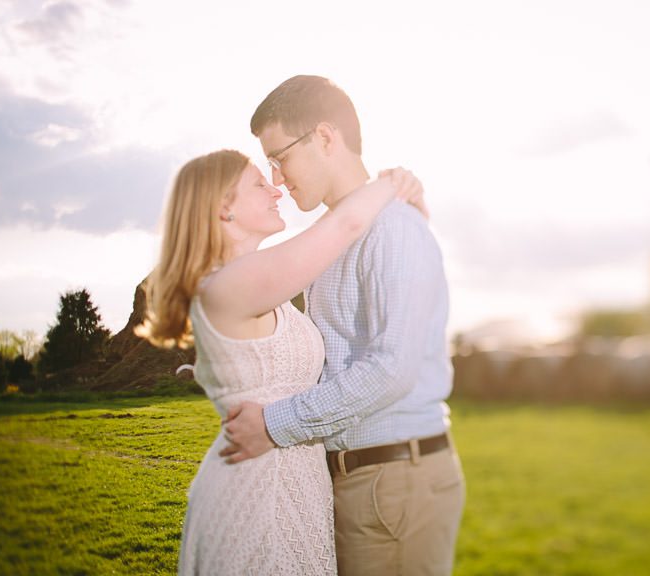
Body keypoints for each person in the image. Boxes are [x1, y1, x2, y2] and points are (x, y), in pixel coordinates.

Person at [221, 75, 465, 575]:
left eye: (280, 156)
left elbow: (390, 369)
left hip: (392, 479)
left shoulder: (393, 228)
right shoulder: (333, 238)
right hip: (369, 478)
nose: (278, 177)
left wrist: (274, 425)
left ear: (326, 137)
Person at [139, 148, 425, 575]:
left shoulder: (261, 284)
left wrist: (412, 213)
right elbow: (345, 224)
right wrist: (392, 180)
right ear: (223, 208)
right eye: (258, 183)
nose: (276, 190)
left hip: (297, 481)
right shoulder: (227, 286)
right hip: (257, 493)